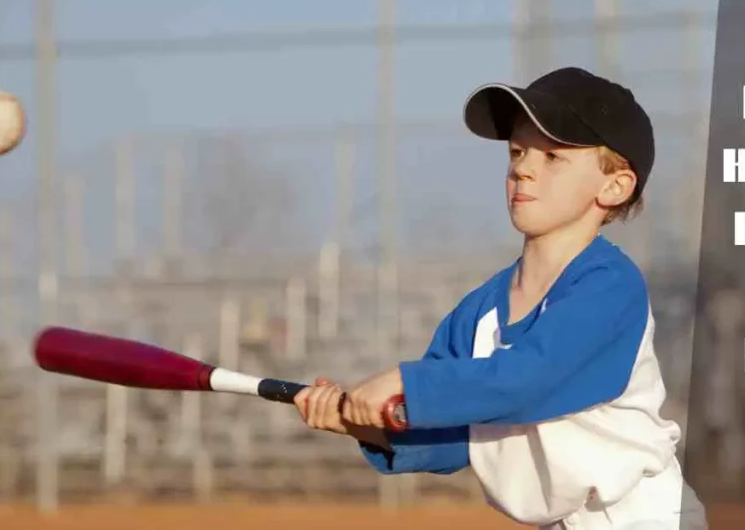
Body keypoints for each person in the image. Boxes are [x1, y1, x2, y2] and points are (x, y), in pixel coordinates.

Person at [295, 67, 706, 530]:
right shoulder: (479, 311)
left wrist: (404, 383)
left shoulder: (609, 286)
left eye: (552, 156)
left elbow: (526, 379)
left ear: (613, 186)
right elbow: (456, 437)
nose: (523, 168)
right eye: (517, 151)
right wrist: (364, 423)